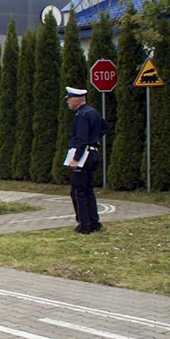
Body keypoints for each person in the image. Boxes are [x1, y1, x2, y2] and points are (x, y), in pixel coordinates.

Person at [64, 87, 107, 235]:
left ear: (76, 100)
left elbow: (81, 139)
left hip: (83, 155)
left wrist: (75, 159)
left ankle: (85, 224)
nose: (68, 102)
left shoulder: (82, 115)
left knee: (79, 190)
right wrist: (96, 140)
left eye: (69, 99)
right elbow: (104, 127)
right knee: (88, 189)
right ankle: (94, 222)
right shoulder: (92, 112)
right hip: (93, 153)